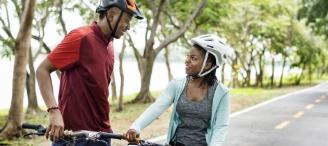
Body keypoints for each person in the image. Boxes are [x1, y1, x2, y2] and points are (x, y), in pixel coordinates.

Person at [36, 0, 142, 145]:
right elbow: (42, 70)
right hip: (74, 136)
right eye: (126, 20)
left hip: (103, 135)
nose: (128, 26)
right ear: (111, 15)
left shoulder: (109, 46)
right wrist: (54, 111)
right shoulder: (81, 37)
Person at [125, 34, 231, 146]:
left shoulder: (221, 93)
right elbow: (157, 107)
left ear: (208, 65)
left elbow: (220, 127)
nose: (187, 61)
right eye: (188, 56)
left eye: (193, 58)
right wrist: (136, 127)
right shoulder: (177, 84)